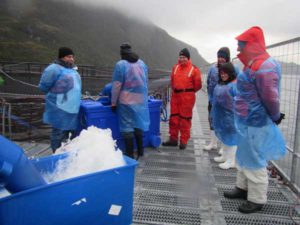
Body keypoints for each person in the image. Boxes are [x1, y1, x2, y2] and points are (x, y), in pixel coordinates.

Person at [224, 26, 286, 213]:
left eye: (241, 45)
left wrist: (275, 115)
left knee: (255, 158)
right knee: (243, 155)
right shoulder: (253, 64)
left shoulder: (265, 66)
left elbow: (270, 96)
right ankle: (242, 188)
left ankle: (257, 198)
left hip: (256, 121)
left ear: (251, 45)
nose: (238, 50)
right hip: (245, 120)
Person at [39, 47, 82, 153]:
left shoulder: (73, 69)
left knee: (70, 133)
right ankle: (56, 154)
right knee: (58, 132)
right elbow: (43, 86)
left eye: (72, 57)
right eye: (68, 57)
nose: (71, 59)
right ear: (61, 57)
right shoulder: (53, 68)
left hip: (71, 109)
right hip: (58, 108)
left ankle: (66, 154)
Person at [111, 43, 150, 160]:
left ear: (121, 53)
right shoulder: (142, 63)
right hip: (140, 98)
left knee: (127, 126)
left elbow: (117, 85)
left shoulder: (120, 65)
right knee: (138, 123)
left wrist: (113, 102)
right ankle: (140, 151)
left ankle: (129, 154)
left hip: (126, 99)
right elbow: (145, 80)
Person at [162, 48, 202, 150]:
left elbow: (198, 85)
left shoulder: (194, 69)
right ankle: (173, 139)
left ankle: (183, 141)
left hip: (187, 97)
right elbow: (172, 80)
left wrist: (188, 92)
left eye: (184, 57)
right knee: (174, 118)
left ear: (188, 58)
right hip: (175, 96)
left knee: (185, 119)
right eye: (180, 57)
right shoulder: (175, 67)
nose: (182, 59)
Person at [204, 47, 231, 151]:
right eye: (219, 56)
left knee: (225, 123)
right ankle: (213, 143)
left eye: (223, 57)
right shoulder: (212, 68)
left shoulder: (232, 68)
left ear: (227, 58)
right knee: (212, 120)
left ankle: (224, 147)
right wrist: (211, 96)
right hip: (213, 100)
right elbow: (208, 82)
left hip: (226, 102)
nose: (220, 59)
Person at [211, 62, 237, 169]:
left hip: (232, 117)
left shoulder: (234, 86)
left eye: (225, 73)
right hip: (222, 116)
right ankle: (225, 156)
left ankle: (232, 161)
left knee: (232, 138)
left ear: (230, 73)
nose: (223, 75)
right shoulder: (222, 84)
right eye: (221, 73)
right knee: (225, 137)